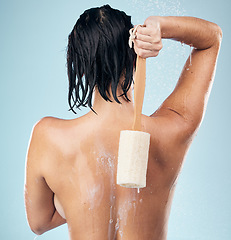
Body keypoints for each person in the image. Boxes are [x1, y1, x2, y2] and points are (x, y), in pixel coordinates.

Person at [24, 4, 222, 240]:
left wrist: (74, 200)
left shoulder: (49, 137)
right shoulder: (172, 129)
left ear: (80, 65)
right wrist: (160, 26)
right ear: (134, 54)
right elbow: (211, 39)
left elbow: (39, 223)